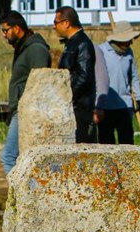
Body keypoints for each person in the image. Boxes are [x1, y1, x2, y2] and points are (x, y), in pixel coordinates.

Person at [0, 11, 52, 174]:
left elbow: (40, 80)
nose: (4, 35)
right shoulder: (23, 48)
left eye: (5, 30)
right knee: (22, 158)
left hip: (27, 110)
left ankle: (20, 197)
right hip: (21, 108)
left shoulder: (35, 49)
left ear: (16, 28)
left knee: (8, 156)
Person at [94, 21, 140, 145]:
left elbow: (134, 76)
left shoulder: (129, 53)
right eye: (128, 40)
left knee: (127, 143)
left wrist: (138, 98)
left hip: (125, 106)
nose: (131, 42)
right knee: (107, 144)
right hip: (105, 107)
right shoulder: (101, 51)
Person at [53, 6, 97, 143]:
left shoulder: (82, 43)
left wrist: (67, 96)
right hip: (73, 106)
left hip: (80, 107)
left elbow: (84, 76)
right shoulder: (72, 43)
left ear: (66, 23)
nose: (54, 27)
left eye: (56, 23)